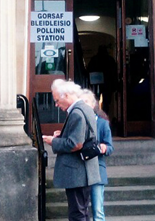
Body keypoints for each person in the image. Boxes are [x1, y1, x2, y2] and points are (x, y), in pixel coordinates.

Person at [43, 79, 101, 221]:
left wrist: (54, 141)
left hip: (77, 173)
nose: (56, 105)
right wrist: (62, 135)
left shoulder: (76, 113)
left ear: (67, 95)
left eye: (57, 100)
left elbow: (76, 144)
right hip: (84, 171)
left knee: (77, 214)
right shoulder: (85, 108)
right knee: (82, 212)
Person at [80, 89, 114, 221]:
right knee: (81, 210)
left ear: (93, 104)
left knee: (98, 210)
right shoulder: (78, 122)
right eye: (81, 102)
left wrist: (104, 148)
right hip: (81, 170)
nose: (84, 104)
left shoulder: (102, 123)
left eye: (86, 101)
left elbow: (110, 147)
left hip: (97, 171)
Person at [87, 45, 117, 114]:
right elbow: (114, 73)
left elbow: (89, 71)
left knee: (96, 100)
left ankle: (97, 115)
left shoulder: (94, 59)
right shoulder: (110, 59)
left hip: (97, 83)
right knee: (106, 103)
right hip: (107, 84)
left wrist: (90, 83)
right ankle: (104, 115)